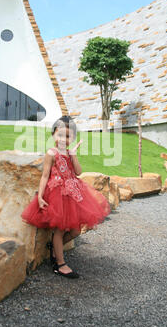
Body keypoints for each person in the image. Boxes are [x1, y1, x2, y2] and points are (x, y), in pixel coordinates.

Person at [20, 115, 111, 279]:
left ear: (73, 138)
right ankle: (60, 263)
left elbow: (78, 172)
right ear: (54, 134)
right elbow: (44, 176)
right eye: (60, 134)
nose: (63, 139)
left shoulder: (70, 152)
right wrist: (40, 196)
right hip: (58, 195)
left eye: (68, 136)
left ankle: (55, 248)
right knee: (60, 229)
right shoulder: (51, 153)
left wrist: (73, 154)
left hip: (73, 193)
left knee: (75, 230)